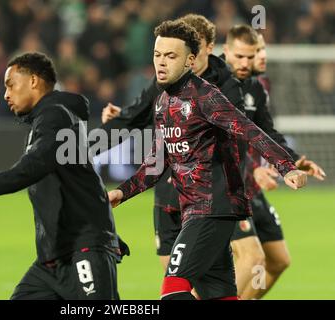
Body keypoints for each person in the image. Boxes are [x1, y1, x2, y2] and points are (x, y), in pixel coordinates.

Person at [108, 19, 307, 300]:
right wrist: (121, 192)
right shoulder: (164, 102)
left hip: (213, 209)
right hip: (195, 211)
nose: (161, 62)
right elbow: (156, 164)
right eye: (157, 55)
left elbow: (248, 128)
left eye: (171, 55)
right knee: (221, 296)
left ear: (190, 59)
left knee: (173, 289)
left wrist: (286, 166)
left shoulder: (205, 96)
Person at [0, 52, 128, 300]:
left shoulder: (54, 116)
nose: (6, 94)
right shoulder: (51, 119)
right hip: (53, 260)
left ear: (33, 81)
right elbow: (80, 181)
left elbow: (31, 168)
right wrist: (106, 231)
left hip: (82, 249)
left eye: (10, 85)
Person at [99, 14, 245, 272]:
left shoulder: (223, 88)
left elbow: (242, 136)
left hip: (208, 199)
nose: (166, 60)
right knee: (194, 284)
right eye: (160, 54)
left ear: (205, 49)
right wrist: (89, 144)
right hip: (168, 197)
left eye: (176, 53)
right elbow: (137, 118)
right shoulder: (162, 86)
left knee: (180, 282)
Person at [223, 26, 326, 299]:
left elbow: (267, 132)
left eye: (254, 53)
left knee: (278, 260)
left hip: (250, 186)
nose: (250, 61)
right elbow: (217, 143)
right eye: (242, 55)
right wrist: (255, 170)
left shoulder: (255, 89)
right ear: (226, 52)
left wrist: (292, 162)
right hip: (222, 187)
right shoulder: (215, 87)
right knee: (250, 259)